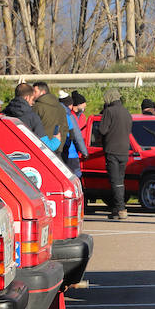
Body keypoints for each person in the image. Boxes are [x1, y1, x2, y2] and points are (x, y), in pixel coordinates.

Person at [95, 87, 133, 220]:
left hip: (112, 150)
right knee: (120, 180)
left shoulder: (109, 112)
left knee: (115, 180)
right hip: (124, 150)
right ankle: (117, 208)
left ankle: (121, 208)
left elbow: (103, 130)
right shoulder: (126, 112)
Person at [59, 92, 89, 178]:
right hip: (71, 152)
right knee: (75, 176)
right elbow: (77, 136)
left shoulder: (53, 113)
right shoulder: (69, 116)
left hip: (57, 152)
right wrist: (84, 152)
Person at [31, 81, 66, 150]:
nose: (33, 94)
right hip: (58, 145)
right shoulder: (61, 107)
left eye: (35, 91)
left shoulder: (37, 107)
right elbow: (65, 127)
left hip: (42, 147)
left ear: (43, 92)